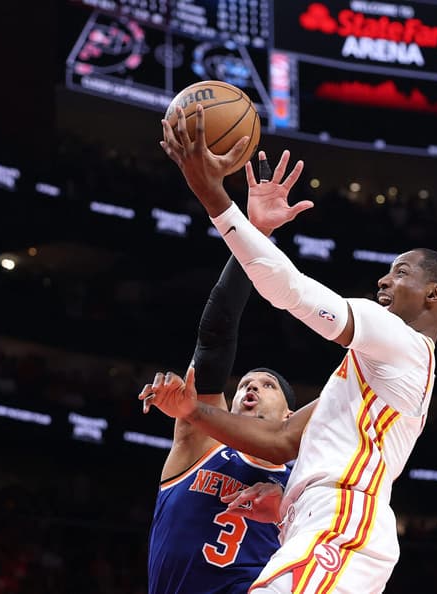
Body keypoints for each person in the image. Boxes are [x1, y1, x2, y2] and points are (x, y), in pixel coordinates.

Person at [141, 104, 437, 594]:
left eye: (400, 272)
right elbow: (284, 440)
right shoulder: (370, 373)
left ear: (433, 296)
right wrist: (287, 502)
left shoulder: (401, 342)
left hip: (340, 521)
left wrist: (212, 195)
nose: (384, 278)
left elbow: (290, 290)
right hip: (317, 526)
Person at [147, 155, 316, 594]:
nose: (249, 388)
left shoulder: (301, 480)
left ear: (289, 415)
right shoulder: (201, 439)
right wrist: (255, 235)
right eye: (244, 384)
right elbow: (216, 332)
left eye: (266, 385)